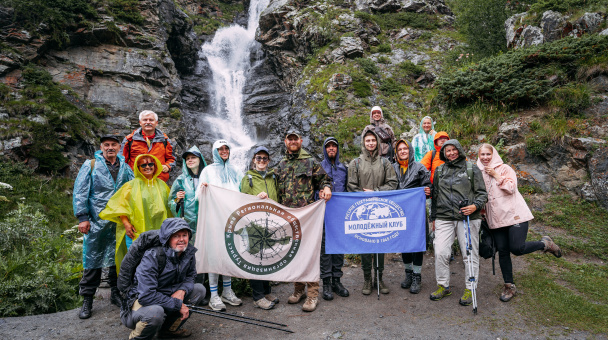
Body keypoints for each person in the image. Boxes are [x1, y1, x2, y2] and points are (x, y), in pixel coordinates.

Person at [477, 143, 562, 302]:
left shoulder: (504, 169)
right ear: (479, 156)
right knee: (503, 251)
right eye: (482, 155)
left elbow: (511, 187)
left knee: (516, 248)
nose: (485, 158)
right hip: (495, 219)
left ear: (493, 154)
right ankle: (509, 286)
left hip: (514, 215)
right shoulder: (477, 173)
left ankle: (545, 244)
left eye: (488, 154)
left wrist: (496, 175)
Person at [73, 135, 134, 319]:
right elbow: (81, 191)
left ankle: (116, 293)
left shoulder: (125, 166)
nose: (110, 148)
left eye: (113, 145)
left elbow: (133, 190)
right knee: (92, 258)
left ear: (119, 147)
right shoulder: (91, 165)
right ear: (101, 147)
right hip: (96, 220)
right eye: (106, 145)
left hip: (118, 221)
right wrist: (82, 217)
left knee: (118, 258)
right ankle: (87, 299)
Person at [275, 129, 332, 312]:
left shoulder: (310, 162)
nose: (292, 142)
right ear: (285, 141)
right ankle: (298, 290)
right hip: (289, 217)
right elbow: (273, 188)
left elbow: (324, 179)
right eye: (289, 139)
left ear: (300, 141)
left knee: (310, 254)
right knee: (295, 254)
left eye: (295, 139)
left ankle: (312, 295)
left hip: (308, 218)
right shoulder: (281, 165)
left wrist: (325, 188)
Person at [121, 218, 205, 340]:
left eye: (184, 235)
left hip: (165, 295)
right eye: (176, 236)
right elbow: (146, 296)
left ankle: (168, 330)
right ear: (167, 238)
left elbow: (191, 276)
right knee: (155, 313)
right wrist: (177, 305)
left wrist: (182, 290)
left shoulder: (188, 253)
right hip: (139, 302)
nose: (181, 239)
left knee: (199, 290)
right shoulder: (153, 256)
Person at [429, 139, 487, 306]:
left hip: (468, 218)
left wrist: (474, 206)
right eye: (448, 151)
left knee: (469, 254)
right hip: (444, 217)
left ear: (460, 150)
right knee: (440, 252)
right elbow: (436, 196)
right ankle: (443, 285)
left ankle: (470, 288)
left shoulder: (471, 168)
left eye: (454, 150)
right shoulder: (439, 170)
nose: (451, 153)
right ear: (443, 153)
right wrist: (434, 217)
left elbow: (483, 194)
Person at [99, 154, 172, 272]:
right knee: (137, 261)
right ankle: (134, 288)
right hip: (136, 231)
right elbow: (120, 206)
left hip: (159, 231)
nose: (147, 167)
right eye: (143, 165)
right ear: (138, 167)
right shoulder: (130, 185)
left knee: (158, 260)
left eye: (150, 164)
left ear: (155, 165)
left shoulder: (162, 185)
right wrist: (126, 224)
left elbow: (170, 207)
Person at [347, 130, 398, 295]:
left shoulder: (385, 163)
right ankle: (367, 279)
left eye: (373, 140)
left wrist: (375, 191)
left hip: (381, 210)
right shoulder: (355, 163)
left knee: (380, 243)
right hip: (362, 210)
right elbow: (351, 185)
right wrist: (364, 195)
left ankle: (379, 278)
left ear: (377, 142)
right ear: (363, 143)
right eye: (367, 140)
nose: (370, 143)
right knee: (365, 244)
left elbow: (392, 183)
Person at [195, 140, 244, 311]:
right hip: (214, 219)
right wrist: (204, 189)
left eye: (226, 148)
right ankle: (214, 295)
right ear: (215, 151)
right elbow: (198, 195)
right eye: (220, 149)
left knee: (229, 253)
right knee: (215, 255)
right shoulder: (207, 171)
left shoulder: (236, 170)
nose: (224, 151)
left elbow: (243, 192)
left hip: (232, 219)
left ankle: (227, 291)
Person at [239, 146, 280, 310]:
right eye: (258, 158)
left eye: (264, 158)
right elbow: (242, 200)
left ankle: (266, 290)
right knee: (256, 258)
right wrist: (257, 198)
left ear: (268, 161)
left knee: (267, 257)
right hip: (254, 223)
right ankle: (258, 296)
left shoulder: (272, 177)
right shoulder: (248, 177)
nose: (261, 161)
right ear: (253, 160)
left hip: (271, 222)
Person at [391, 139, 431, 294]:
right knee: (404, 243)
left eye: (405, 149)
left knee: (417, 244)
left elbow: (428, 186)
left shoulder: (420, 167)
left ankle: (417, 276)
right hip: (398, 213)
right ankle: (408, 273)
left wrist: (428, 191)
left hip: (416, 213)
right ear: (396, 153)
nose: (402, 151)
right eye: (399, 149)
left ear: (410, 151)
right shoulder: (392, 168)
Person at [319, 137, 349, 301]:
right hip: (323, 214)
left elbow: (348, 189)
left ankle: (337, 281)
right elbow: (313, 189)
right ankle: (326, 284)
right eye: (328, 146)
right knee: (325, 249)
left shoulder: (343, 168)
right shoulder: (319, 168)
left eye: (334, 146)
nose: (331, 148)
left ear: (337, 149)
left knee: (338, 247)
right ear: (324, 149)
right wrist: (320, 193)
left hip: (340, 214)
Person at [121, 110, 176, 183]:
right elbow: (122, 161)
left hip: (158, 181)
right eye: (145, 120)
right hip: (136, 181)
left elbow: (172, 159)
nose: (148, 122)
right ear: (140, 122)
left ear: (156, 123)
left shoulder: (165, 140)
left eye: (151, 120)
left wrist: (168, 166)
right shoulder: (130, 140)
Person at [168, 146, 207, 237]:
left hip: (207, 221)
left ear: (200, 159)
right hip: (188, 224)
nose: (190, 160)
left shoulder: (208, 177)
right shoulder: (180, 180)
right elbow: (171, 202)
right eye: (187, 158)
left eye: (193, 157)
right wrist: (177, 199)